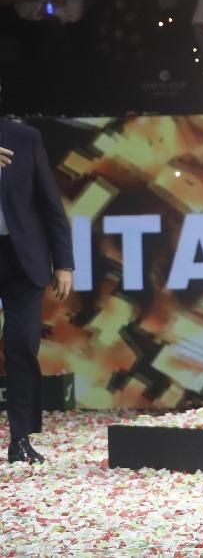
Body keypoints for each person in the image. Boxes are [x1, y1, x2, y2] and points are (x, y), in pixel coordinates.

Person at [0, 83, 74, 464]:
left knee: (22, 346)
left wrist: (64, 263)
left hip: (21, 259)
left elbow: (50, 204)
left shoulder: (25, 139)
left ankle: (20, 439)